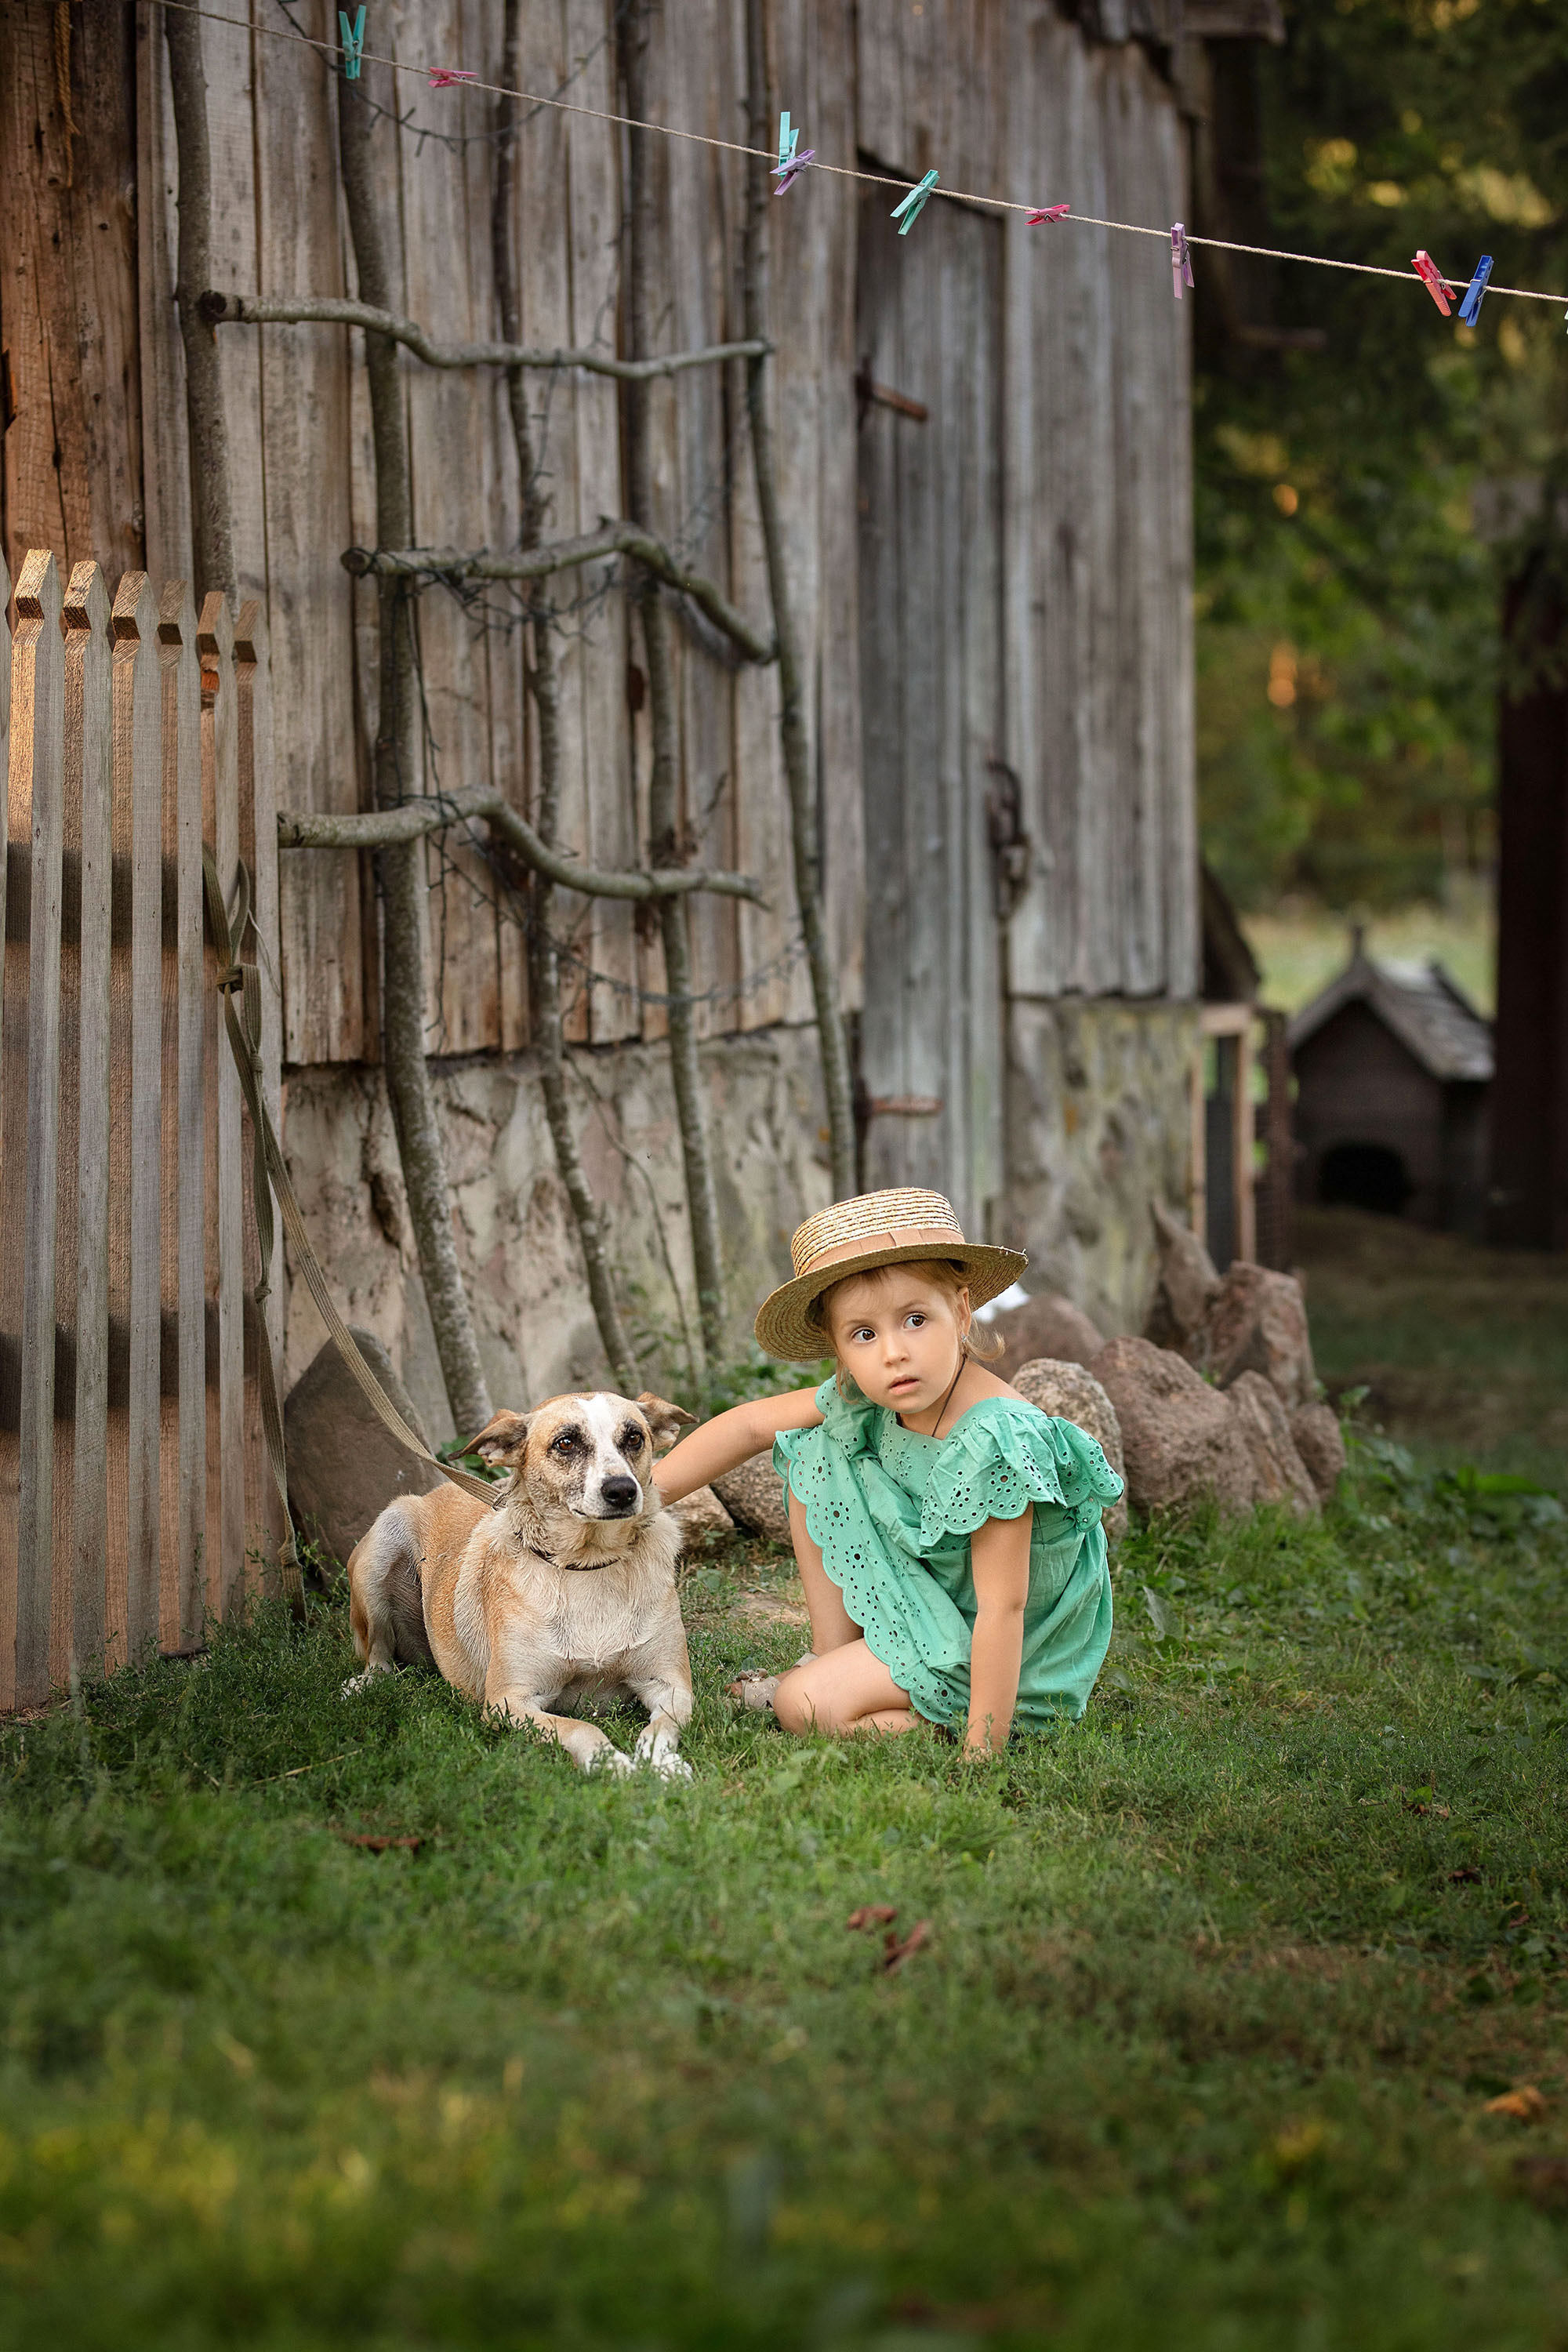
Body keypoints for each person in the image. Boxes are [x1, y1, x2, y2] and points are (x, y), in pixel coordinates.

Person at [654, 1189, 1123, 1752]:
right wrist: (641, 1494)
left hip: (1006, 1649)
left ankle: (958, 1723)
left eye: (916, 1320)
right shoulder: (872, 1395)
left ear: (962, 1311)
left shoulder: (995, 1439)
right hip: (940, 1597)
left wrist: (983, 1752)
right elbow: (752, 1427)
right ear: (839, 1347)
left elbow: (1005, 1607)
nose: (893, 1353)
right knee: (812, 1445)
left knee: (799, 1705)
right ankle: (831, 1657)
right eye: (864, 1334)